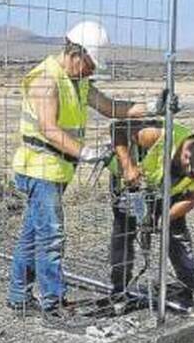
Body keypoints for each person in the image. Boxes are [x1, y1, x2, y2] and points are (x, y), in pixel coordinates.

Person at [8, 20, 150, 326]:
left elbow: (111, 108)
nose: (92, 71)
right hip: (40, 168)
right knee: (51, 237)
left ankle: (18, 298)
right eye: (90, 64)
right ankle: (54, 304)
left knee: (33, 236)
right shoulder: (47, 80)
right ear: (76, 53)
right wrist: (84, 151)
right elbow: (48, 128)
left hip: (55, 170)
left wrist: (152, 105)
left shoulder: (78, 81)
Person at [108, 119, 194, 310]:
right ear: (187, 156)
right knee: (125, 234)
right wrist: (128, 165)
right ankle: (119, 290)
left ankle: (190, 288)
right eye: (193, 174)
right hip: (131, 185)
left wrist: (166, 217)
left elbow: (192, 198)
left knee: (177, 234)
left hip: (164, 192)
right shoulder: (160, 135)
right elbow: (117, 128)